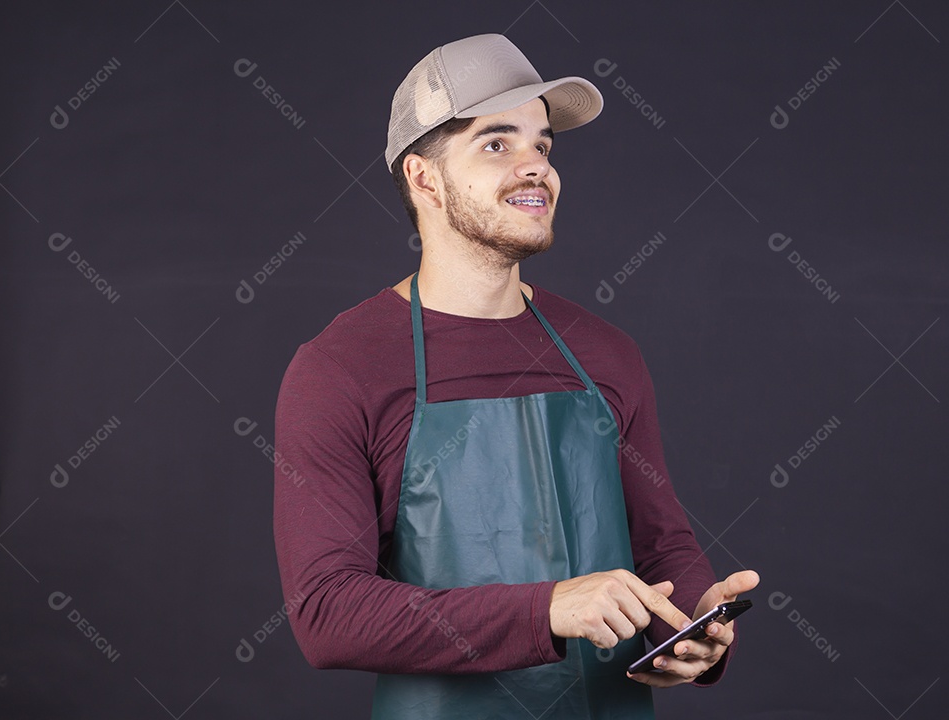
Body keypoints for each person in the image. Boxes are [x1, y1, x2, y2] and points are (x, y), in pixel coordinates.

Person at [273, 33, 760, 719]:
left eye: (543, 146)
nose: (536, 167)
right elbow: (327, 612)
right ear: (424, 178)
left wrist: (690, 624)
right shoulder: (341, 368)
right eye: (497, 143)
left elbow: (661, 545)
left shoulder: (606, 352)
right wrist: (549, 608)